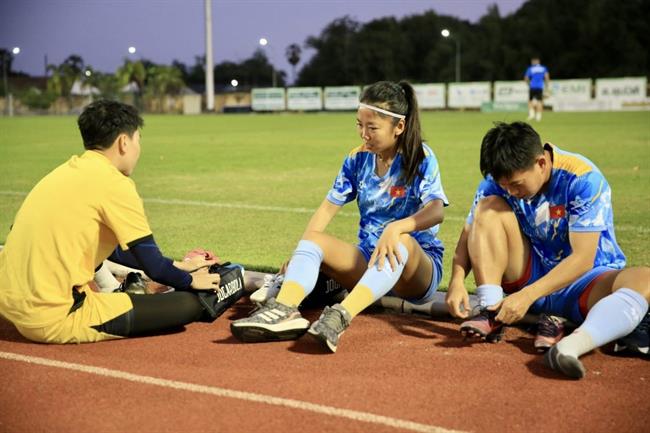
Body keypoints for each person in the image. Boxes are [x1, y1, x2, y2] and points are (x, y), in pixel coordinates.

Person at [231, 80, 448, 353]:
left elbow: (436, 210)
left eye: (372, 128)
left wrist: (396, 229)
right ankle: (284, 309)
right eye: (359, 125)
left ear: (399, 127)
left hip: (415, 271)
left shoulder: (421, 157)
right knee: (312, 240)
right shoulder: (357, 159)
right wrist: (299, 254)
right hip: (369, 263)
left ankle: (340, 316)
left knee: (401, 240)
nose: (364, 134)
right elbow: (326, 209)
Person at [0, 100, 223, 344]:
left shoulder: (63, 172)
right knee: (189, 303)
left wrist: (179, 265)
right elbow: (153, 267)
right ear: (124, 142)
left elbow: (109, 249)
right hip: (50, 318)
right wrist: (191, 280)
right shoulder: (115, 184)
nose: (139, 148)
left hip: (9, 303)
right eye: (138, 139)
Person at [445, 121, 649, 379]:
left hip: (584, 283)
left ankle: (572, 345)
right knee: (487, 208)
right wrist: (456, 280)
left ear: (541, 163)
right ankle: (491, 311)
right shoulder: (499, 181)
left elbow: (583, 259)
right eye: (505, 185)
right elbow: (469, 232)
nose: (511, 192)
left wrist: (527, 296)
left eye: (516, 184)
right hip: (530, 272)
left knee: (644, 279)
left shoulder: (583, 179)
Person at [524, 57, 550, 122]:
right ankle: (538, 117)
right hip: (540, 87)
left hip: (532, 86)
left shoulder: (531, 68)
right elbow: (547, 77)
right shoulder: (543, 68)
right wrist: (547, 86)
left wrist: (528, 84)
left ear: (534, 61)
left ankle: (531, 114)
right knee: (540, 101)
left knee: (530, 101)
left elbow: (526, 78)